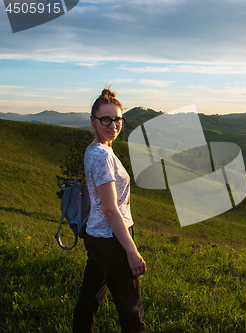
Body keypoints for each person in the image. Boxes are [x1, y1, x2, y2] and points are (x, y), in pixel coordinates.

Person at [73, 88, 147, 333]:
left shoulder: (95, 148)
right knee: (130, 308)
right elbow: (110, 209)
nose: (113, 125)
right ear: (93, 121)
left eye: (117, 119)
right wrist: (131, 250)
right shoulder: (102, 157)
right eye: (106, 119)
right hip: (111, 238)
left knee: (90, 295)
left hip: (95, 235)